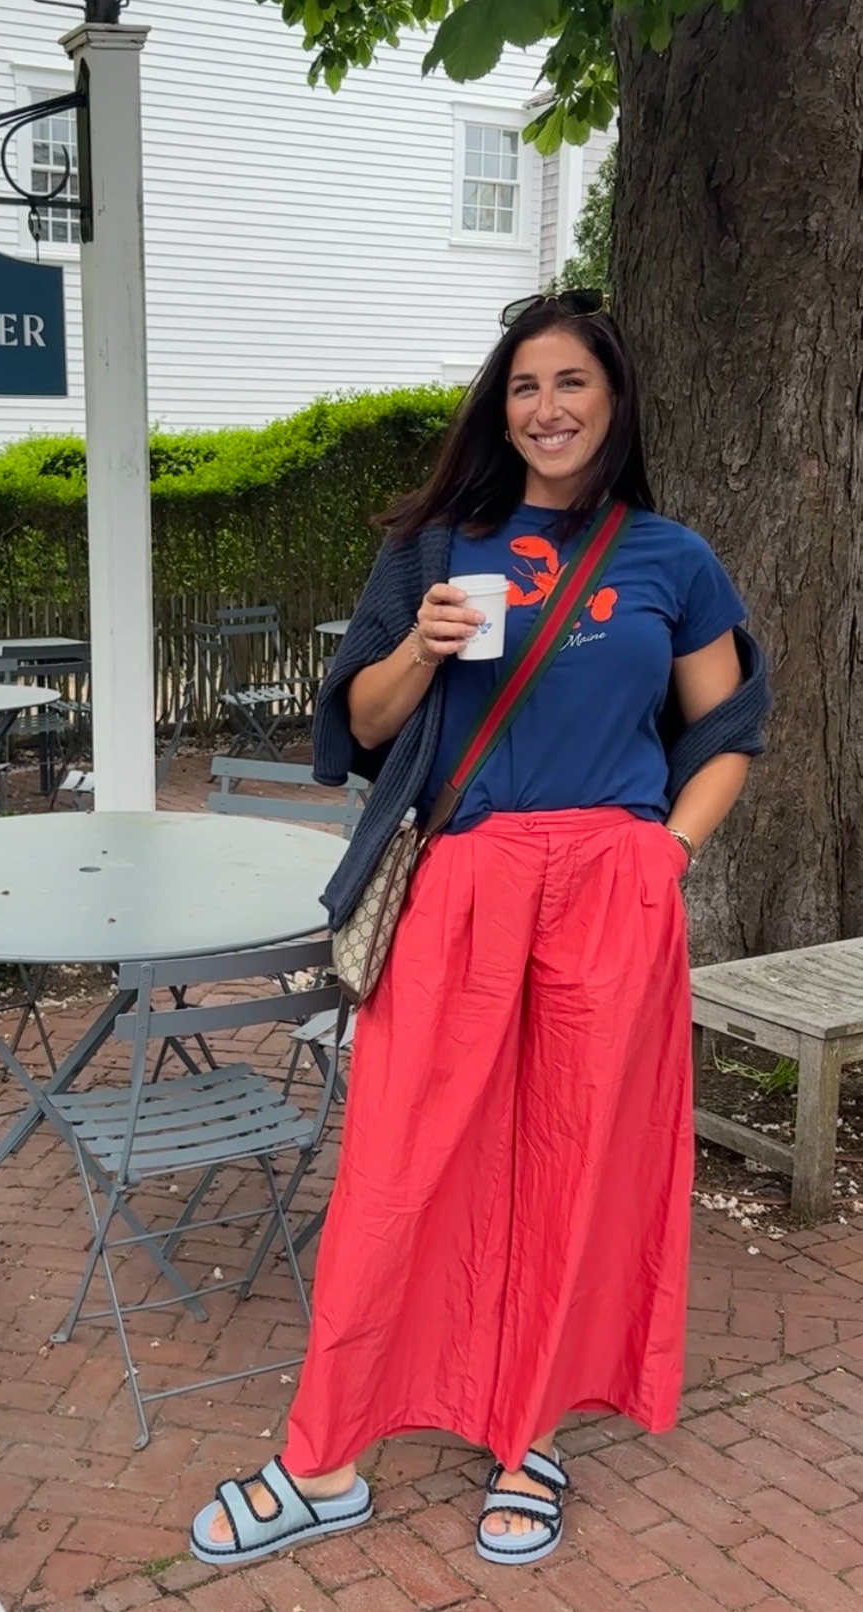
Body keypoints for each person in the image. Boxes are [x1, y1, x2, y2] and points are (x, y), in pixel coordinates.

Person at [190, 290, 770, 1570]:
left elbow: (729, 733)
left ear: (612, 402)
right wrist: (426, 650)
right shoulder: (437, 546)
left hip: (610, 890)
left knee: (576, 1168)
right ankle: (325, 1455)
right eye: (524, 386)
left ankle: (530, 1439)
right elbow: (360, 722)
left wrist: (666, 852)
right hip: (465, 882)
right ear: (498, 409)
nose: (547, 407)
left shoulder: (670, 557)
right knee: (399, 1171)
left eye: (571, 383)